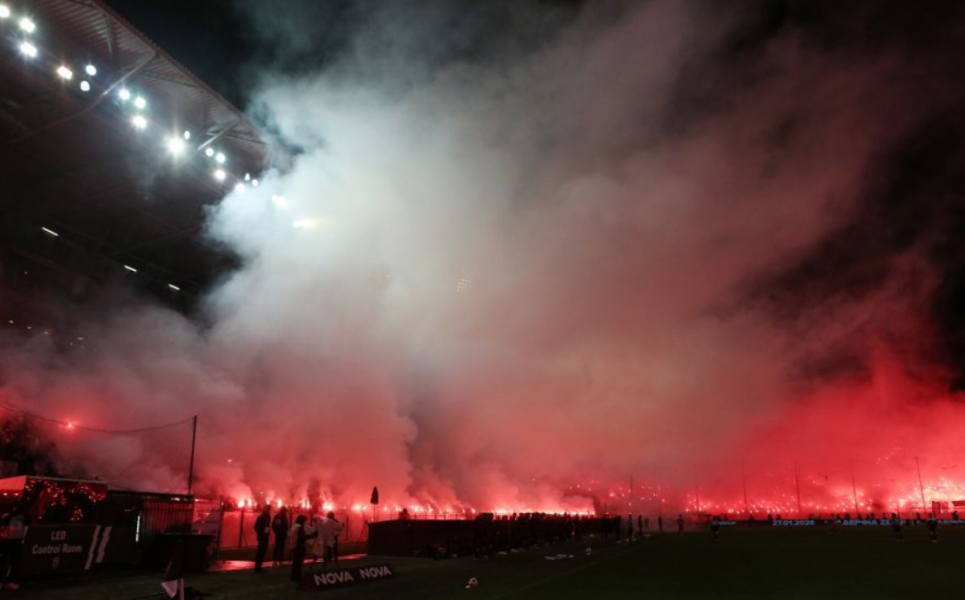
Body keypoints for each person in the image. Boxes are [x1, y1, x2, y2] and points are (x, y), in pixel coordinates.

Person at [0, 503, 30, 590]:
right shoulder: (6, 516)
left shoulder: (23, 517)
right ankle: (0, 582)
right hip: (6, 541)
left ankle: (10, 581)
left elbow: (29, 522)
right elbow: (4, 521)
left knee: (15, 563)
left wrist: (24, 513)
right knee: (2, 562)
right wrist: (12, 514)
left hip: (17, 542)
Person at [289, 515, 313, 584]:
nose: (305, 522)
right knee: (298, 563)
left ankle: (294, 577)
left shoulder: (295, 526)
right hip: (299, 547)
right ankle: (297, 577)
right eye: (304, 521)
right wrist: (312, 535)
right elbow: (303, 537)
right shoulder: (299, 527)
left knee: (295, 563)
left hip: (295, 546)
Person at [253, 505, 271, 573]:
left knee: (263, 551)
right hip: (261, 537)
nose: (269, 511)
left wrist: (267, 532)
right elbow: (256, 527)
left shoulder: (268, 517)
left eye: (269, 509)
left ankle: (259, 567)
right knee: (260, 551)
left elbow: (267, 526)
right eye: (268, 509)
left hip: (265, 536)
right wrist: (261, 533)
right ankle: (257, 567)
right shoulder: (261, 517)